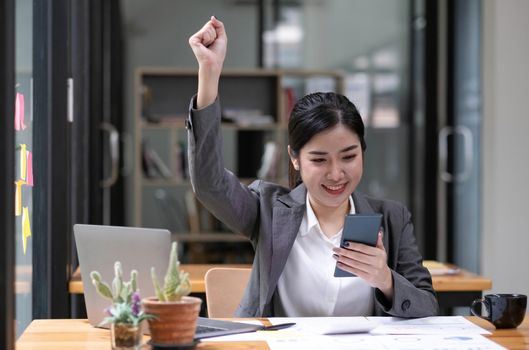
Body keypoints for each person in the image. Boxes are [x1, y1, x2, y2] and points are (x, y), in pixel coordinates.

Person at [187, 16, 438, 318]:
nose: (335, 174)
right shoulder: (268, 210)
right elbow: (208, 182)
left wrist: (385, 280)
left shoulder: (391, 218)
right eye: (319, 159)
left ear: (363, 152)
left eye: (348, 157)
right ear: (295, 158)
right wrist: (209, 72)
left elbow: (427, 306)